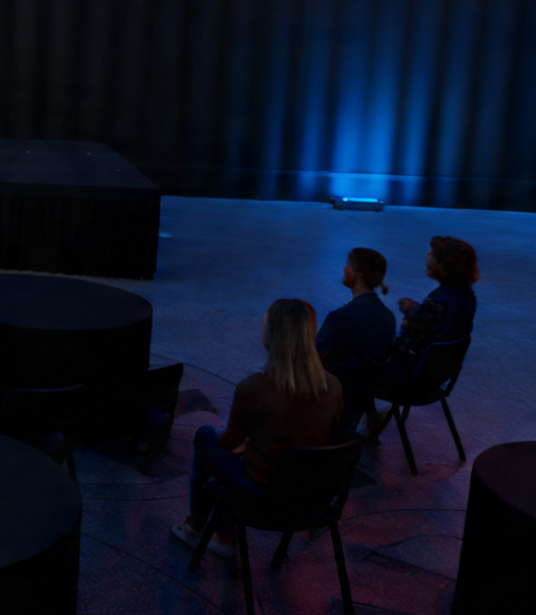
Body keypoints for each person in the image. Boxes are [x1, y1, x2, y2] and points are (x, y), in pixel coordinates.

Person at [171, 299, 343, 558]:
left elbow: (228, 443)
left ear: (273, 335)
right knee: (247, 448)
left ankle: (201, 529)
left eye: (264, 323)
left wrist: (244, 439)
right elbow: (327, 434)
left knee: (206, 436)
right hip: (310, 494)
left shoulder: (254, 387)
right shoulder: (334, 386)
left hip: (263, 494)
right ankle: (221, 532)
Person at [368, 236, 479, 421]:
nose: (427, 256)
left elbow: (407, 346)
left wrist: (410, 316)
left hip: (414, 381)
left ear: (445, 264)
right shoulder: (465, 295)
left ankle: (357, 423)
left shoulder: (440, 302)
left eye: (432, 254)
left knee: (351, 362)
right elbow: (440, 326)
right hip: (438, 377)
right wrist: (417, 311)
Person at [313, 247, 397, 427]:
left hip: (335, 394)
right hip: (362, 395)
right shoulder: (388, 317)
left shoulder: (340, 317)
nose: (344, 268)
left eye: (348, 264)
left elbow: (315, 356)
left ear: (359, 273)